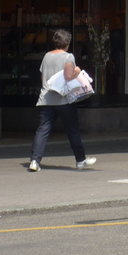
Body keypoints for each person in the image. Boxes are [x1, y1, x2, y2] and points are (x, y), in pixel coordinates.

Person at [28, 28, 96, 172]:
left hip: (46, 99)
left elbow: (43, 77)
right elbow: (68, 76)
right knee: (72, 131)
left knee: (43, 130)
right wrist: (77, 71)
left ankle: (35, 161)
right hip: (63, 100)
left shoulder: (46, 56)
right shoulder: (68, 57)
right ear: (68, 43)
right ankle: (80, 160)